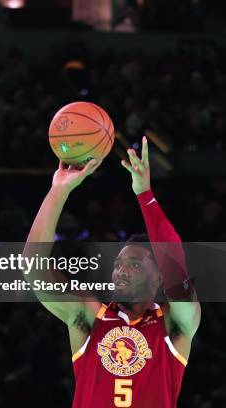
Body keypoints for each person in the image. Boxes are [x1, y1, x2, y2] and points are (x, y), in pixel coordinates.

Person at [23, 136, 201, 407]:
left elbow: (174, 262)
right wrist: (57, 191)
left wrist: (145, 195)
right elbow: (31, 266)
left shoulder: (174, 323)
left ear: (158, 277)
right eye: (118, 264)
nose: (121, 271)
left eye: (135, 265)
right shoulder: (89, 315)